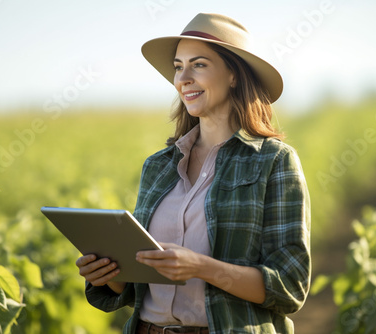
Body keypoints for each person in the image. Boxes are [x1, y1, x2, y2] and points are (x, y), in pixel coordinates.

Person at [76, 13, 311, 334]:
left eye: (198, 64)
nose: (182, 77)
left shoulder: (273, 161)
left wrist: (202, 268)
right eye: (178, 66)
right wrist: (109, 274)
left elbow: (289, 285)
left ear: (234, 75)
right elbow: (136, 288)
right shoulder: (158, 166)